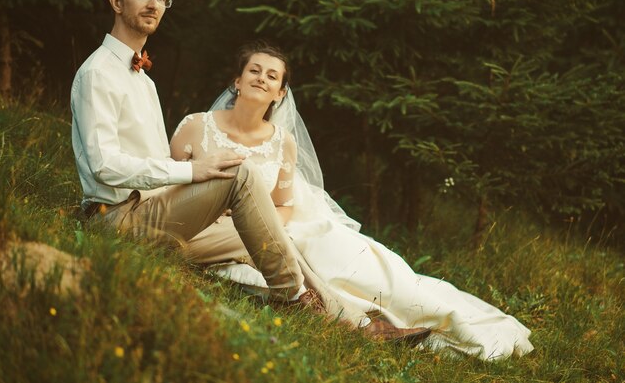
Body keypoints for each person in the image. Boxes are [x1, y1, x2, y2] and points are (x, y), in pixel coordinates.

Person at [70, 0, 427, 346]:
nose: (154, 4)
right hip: (117, 219)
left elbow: (156, 162)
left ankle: (359, 325)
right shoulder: (98, 74)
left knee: (271, 237)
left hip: (155, 212)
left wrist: (197, 190)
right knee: (240, 173)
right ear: (117, 2)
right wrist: (195, 173)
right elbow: (104, 166)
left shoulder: (144, 80)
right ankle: (294, 298)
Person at [170, 42, 535, 361]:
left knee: (367, 265)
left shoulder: (282, 142)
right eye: (254, 70)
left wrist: (262, 221)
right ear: (236, 81)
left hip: (264, 226)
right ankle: (354, 322)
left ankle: (384, 313)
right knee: (287, 253)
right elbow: (170, 185)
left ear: (280, 93)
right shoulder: (196, 126)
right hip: (203, 225)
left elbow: (282, 204)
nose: (261, 78)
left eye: (272, 76)